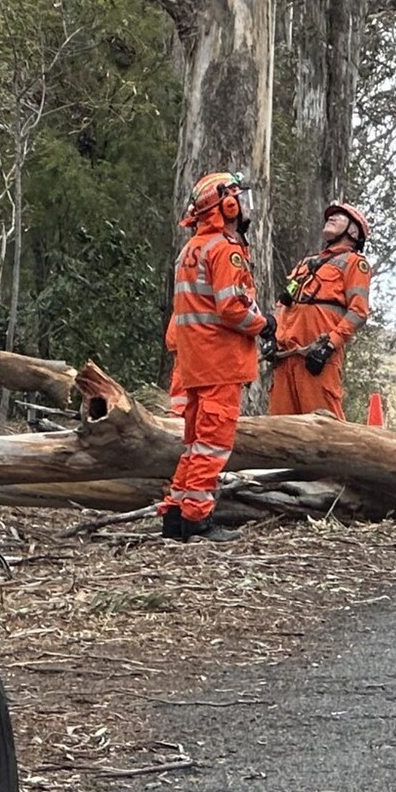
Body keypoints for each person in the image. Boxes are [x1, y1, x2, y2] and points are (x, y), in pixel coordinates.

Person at [160, 171, 273, 542]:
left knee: (195, 443)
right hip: (221, 362)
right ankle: (196, 519)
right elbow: (232, 309)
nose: (243, 208)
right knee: (213, 444)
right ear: (226, 205)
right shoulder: (224, 250)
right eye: (239, 200)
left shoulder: (190, 250)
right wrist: (265, 324)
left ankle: (175, 513)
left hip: (195, 363)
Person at [269, 201, 374, 418]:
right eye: (330, 215)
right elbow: (284, 304)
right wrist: (271, 338)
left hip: (317, 358)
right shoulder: (306, 264)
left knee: (325, 429)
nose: (331, 217)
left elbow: (358, 312)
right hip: (285, 359)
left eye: (340, 216)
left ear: (353, 231)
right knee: (281, 429)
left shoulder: (354, 263)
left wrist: (329, 346)